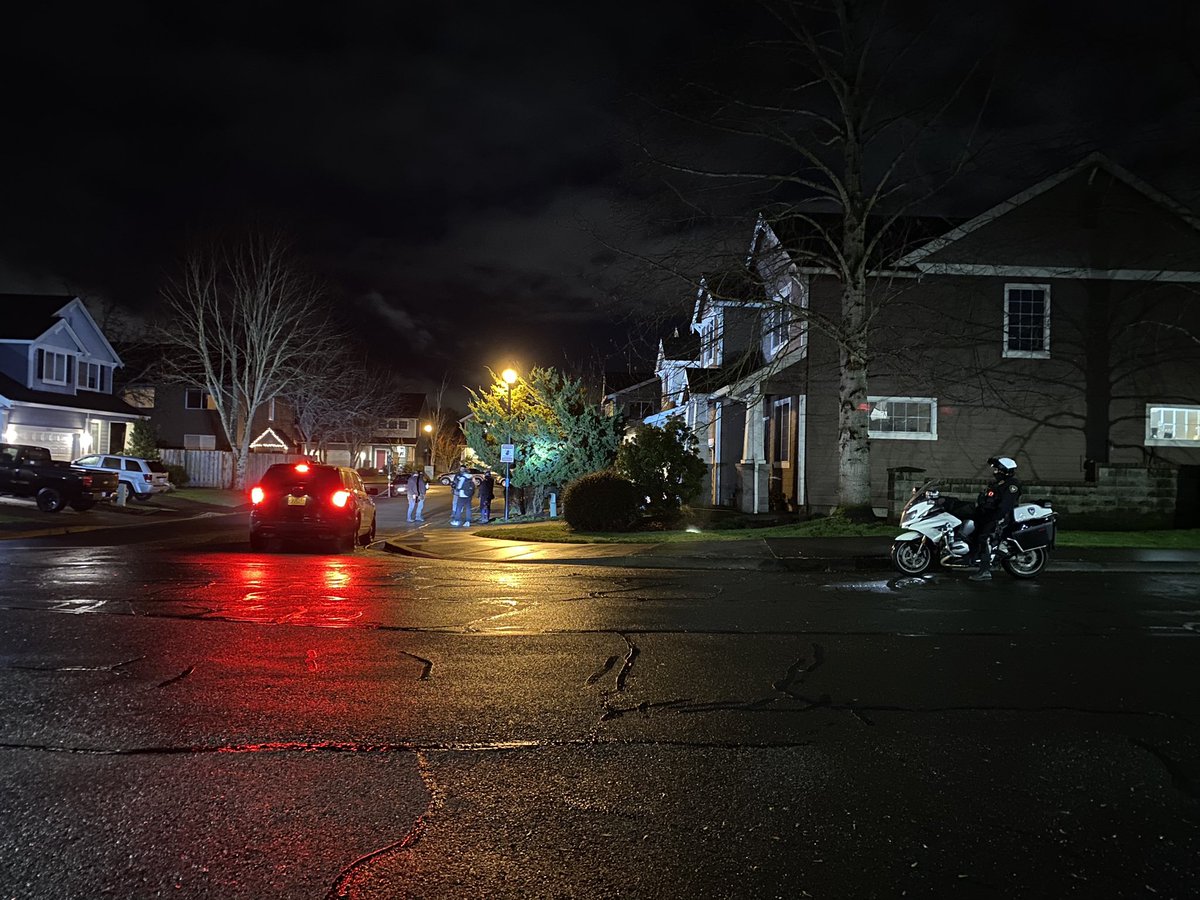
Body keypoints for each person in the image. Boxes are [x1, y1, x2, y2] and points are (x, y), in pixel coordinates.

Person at [969, 455, 1022, 581]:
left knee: (984, 538)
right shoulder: (997, 484)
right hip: (988, 515)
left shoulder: (1011, 486)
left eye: (998, 470)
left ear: (1006, 472)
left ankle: (985, 570)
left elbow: (1005, 506)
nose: (995, 472)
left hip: (1000, 517)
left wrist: (994, 518)